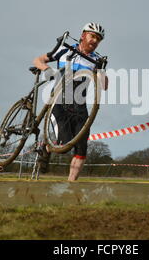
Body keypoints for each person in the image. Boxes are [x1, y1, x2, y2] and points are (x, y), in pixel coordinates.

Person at [33, 22, 108, 181]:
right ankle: (45, 147)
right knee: (63, 145)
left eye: (98, 39)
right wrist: (47, 70)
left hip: (80, 107)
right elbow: (38, 60)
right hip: (58, 103)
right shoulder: (65, 49)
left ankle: (71, 185)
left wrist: (102, 70)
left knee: (82, 149)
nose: (95, 41)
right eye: (92, 36)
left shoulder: (96, 60)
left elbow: (104, 86)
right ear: (83, 35)